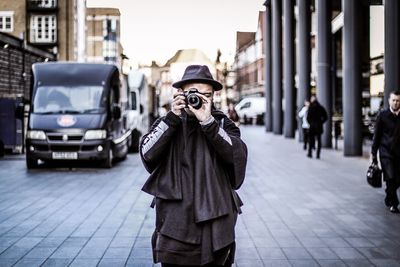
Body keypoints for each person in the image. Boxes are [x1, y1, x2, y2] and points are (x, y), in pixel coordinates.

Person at [139, 65, 248, 266]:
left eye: (206, 95)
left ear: (213, 96)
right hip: (175, 225)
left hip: (217, 224)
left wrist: (208, 123)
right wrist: (172, 119)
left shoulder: (223, 124)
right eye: (193, 94)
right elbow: (147, 154)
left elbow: (237, 156)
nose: (199, 100)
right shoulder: (168, 123)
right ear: (180, 94)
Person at [371, 90, 400, 213]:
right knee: (390, 177)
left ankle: (389, 195)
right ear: (389, 101)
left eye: (398, 100)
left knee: (397, 179)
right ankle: (394, 203)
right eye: (393, 100)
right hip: (386, 153)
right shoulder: (383, 115)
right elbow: (377, 135)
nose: (395, 103)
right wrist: (374, 154)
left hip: (399, 153)